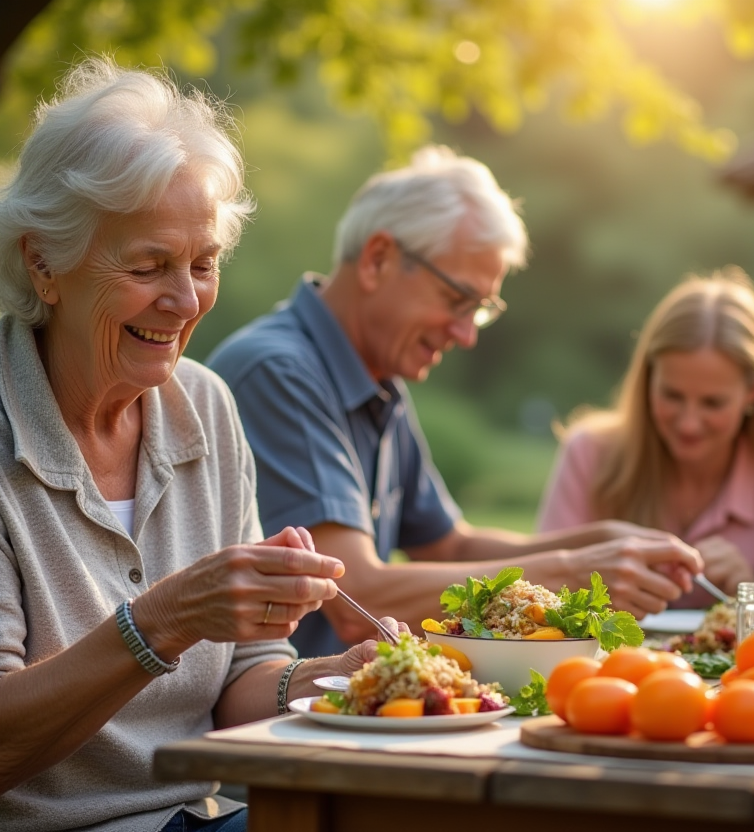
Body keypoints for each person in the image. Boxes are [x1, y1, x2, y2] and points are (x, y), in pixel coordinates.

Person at [0, 59, 399, 832]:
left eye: (203, 264)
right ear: (43, 262)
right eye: (148, 266)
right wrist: (164, 619)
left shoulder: (203, 405)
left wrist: (337, 681)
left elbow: (244, 678)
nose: (184, 302)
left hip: (192, 817)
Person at [206, 146, 703, 658]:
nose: (467, 335)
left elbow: (450, 546)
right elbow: (358, 599)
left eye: (480, 310)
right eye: (457, 300)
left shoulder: (377, 377)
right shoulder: (279, 372)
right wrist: (578, 571)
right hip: (281, 714)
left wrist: (604, 543)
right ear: (378, 259)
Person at [537, 270, 754, 606]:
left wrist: (749, 591)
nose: (688, 424)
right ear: (648, 379)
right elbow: (545, 596)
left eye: (712, 403)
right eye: (672, 396)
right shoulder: (589, 452)